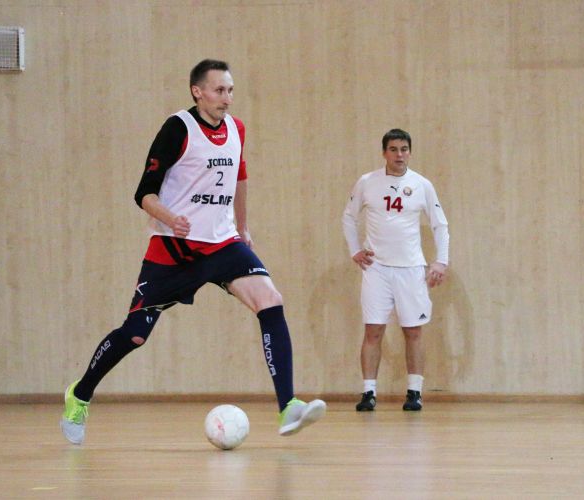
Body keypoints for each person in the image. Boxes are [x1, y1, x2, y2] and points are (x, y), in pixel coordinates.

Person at [60, 59, 326, 445]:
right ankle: (80, 394)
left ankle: (288, 406)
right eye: (219, 90)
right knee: (135, 335)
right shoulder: (177, 129)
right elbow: (143, 193)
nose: (227, 98)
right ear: (197, 92)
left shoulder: (236, 129)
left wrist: (243, 227)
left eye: (230, 90)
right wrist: (171, 218)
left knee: (270, 301)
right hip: (174, 249)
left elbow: (239, 177)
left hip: (223, 244)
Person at [341, 129, 450, 411]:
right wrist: (355, 250)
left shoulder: (422, 185)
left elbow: (440, 224)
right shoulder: (367, 182)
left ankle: (414, 392)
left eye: (404, 149)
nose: (399, 155)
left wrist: (441, 261)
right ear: (384, 153)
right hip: (377, 269)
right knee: (373, 331)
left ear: (410, 152)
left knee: (413, 331)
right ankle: (369, 393)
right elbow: (349, 217)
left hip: (411, 269)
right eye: (393, 149)